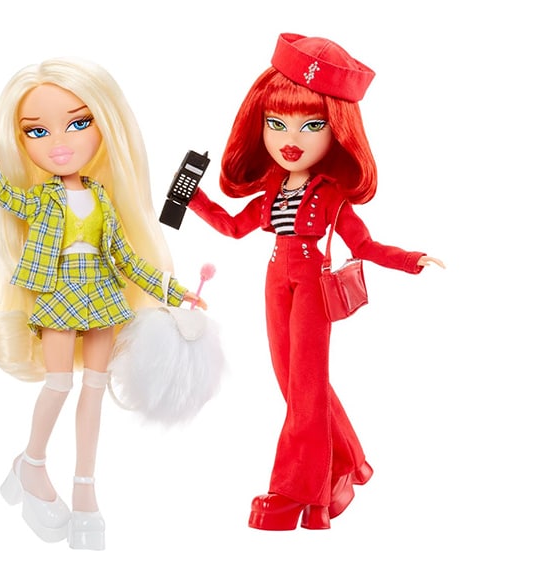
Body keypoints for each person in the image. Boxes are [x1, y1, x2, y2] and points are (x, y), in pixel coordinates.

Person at [185, 33, 444, 530]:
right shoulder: (271, 188)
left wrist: (412, 259)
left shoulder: (330, 195)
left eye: (312, 125)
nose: (291, 139)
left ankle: (296, 492)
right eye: (276, 123)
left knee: (304, 390)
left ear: (337, 130)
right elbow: (234, 227)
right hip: (274, 283)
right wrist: (191, 196)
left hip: (311, 288)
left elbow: (363, 245)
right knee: (295, 384)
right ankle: (347, 463)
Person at [0, 58, 203, 550]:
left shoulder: (103, 198)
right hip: (59, 293)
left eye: (79, 123)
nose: (59, 142)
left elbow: (126, 258)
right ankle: (32, 463)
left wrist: (175, 291)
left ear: (104, 125)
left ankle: (85, 488)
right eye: (37, 131)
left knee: (95, 390)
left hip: (102, 295)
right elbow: (1, 193)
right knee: (59, 384)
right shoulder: (41, 199)